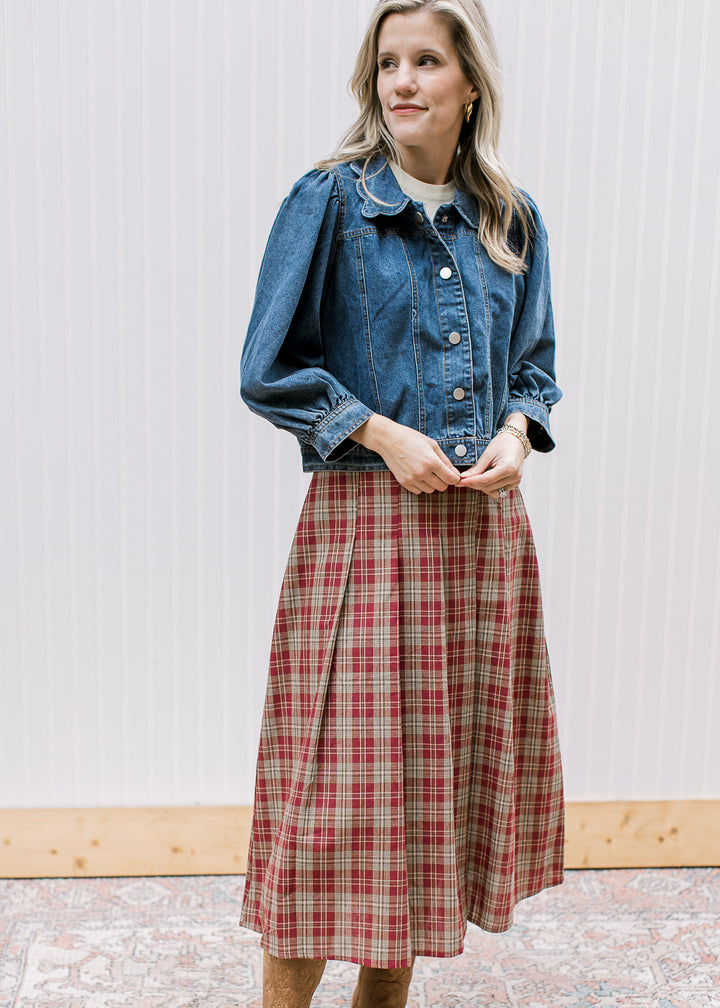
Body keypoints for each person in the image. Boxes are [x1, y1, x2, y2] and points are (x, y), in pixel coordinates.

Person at [239, 1, 564, 1005]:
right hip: (364, 537)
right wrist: (382, 434)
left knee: (419, 832)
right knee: (328, 821)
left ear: (471, 83)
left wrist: (515, 438)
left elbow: (535, 371)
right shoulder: (329, 200)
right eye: (389, 62)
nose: (403, 82)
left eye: (428, 60)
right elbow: (267, 370)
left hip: (478, 542)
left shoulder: (510, 216)